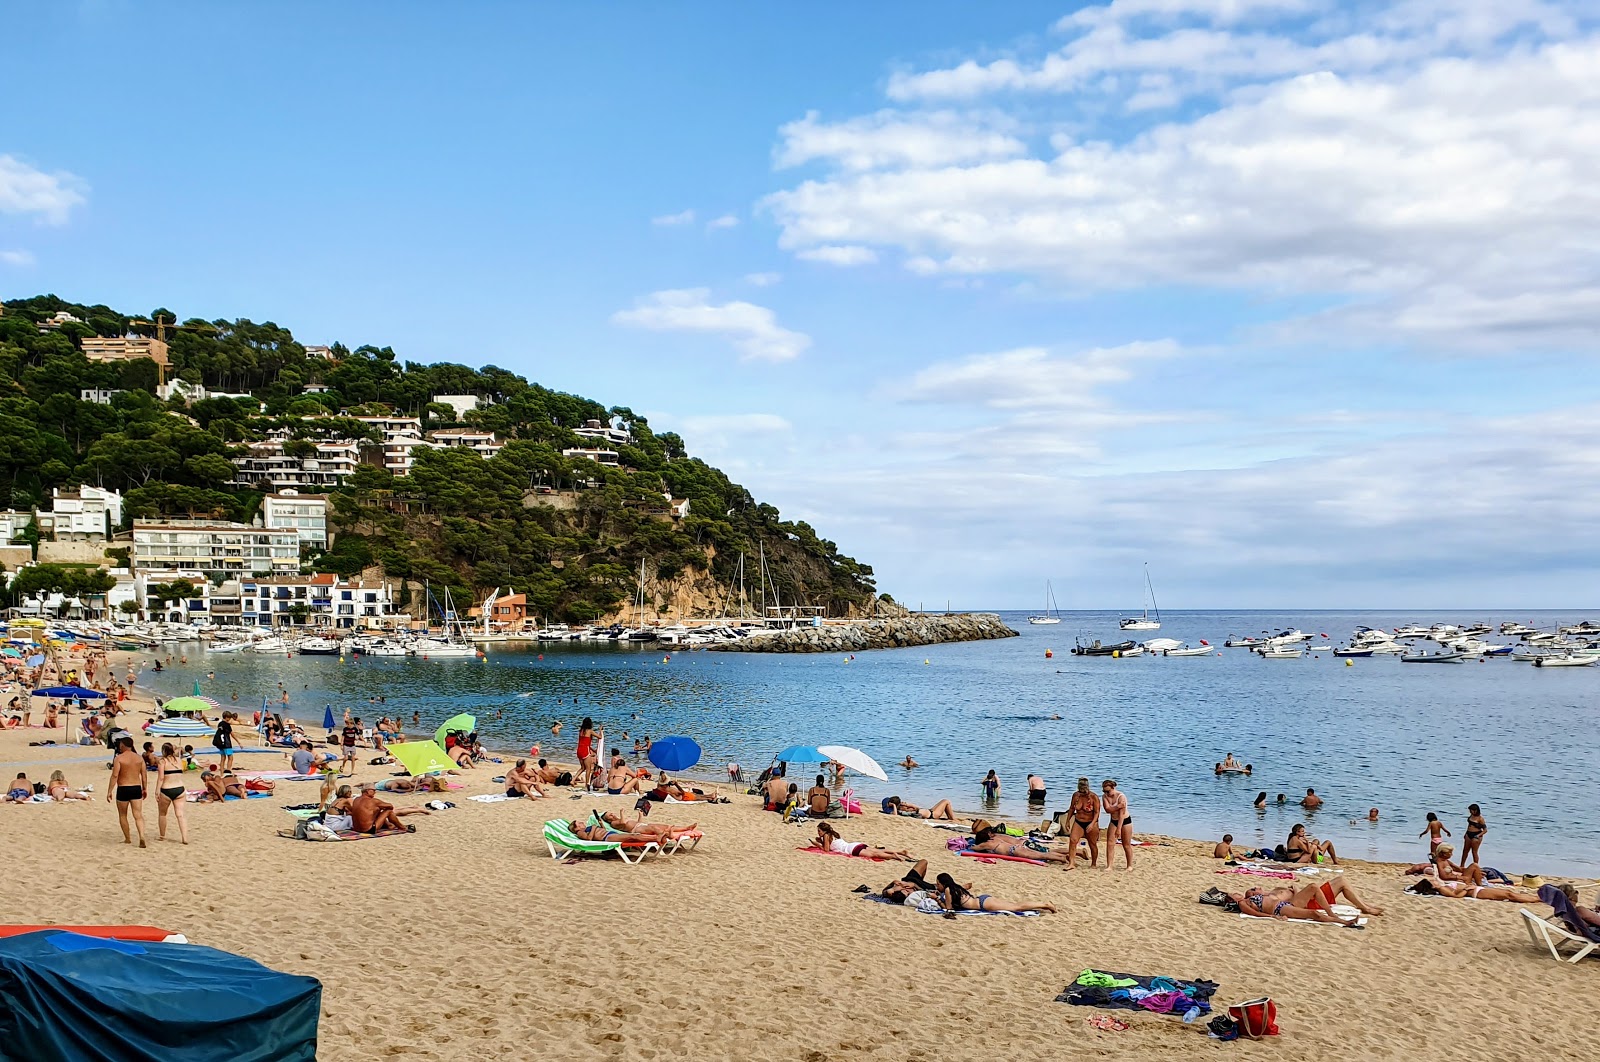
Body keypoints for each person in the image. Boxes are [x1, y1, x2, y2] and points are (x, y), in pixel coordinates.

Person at [933, 872, 1055, 917]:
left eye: (938, 884)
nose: (937, 886)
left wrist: (938, 899)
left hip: (983, 905)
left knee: (1015, 907)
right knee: (1014, 905)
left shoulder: (948, 890)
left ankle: (1045, 904)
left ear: (944, 884)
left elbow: (948, 909)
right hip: (983, 899)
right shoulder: (955, 887)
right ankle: (1043, 905)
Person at [107, 735, 148, 848]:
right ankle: (141, 836)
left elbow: (115, 775)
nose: (119, 747)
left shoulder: (119, 758)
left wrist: (110, 790)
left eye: (120, 745)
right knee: (138, 815)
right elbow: (144, 775)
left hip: (123, 788)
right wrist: (144, 788)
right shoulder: (139, 758)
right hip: (136, 787)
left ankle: (128, 838)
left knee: (123, 815)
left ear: (124, 745)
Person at [971, 826, 1075, 867]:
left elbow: (974, 848)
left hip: (1013, 851)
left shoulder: (986, 844)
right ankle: (1062, 858)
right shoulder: (996, 839)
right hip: (1017, 847)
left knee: (1040, 855)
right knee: (1040, 853)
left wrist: (971, 845)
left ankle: (1062, 858)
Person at [814, 821, 912, 861]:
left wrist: (817, 844)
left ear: (824, 831)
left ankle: (893, 856)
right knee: (877, 850)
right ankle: (901, 852)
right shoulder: (833, 834)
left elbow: (826, 850)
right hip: (856, 844)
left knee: (875, 855)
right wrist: (821, 841)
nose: (818, 833)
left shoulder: (826, 836)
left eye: (819, 831)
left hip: (852, 850)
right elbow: (833, 845)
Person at [154, 744, 189, 843]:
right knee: (180, 815)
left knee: (162, 814)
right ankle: (184, 837)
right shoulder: (178, 760)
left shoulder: (162, 761)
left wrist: (157, 791)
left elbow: (161, 778)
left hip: (167, 789)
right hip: (180, 789)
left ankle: (162, 835)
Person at [1412, 878, 1541, 903]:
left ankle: (1535, 898)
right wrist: (1467, 888)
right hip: (1476, 892)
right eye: (1432, 881)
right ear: (1432, 886)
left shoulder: (1442, 886)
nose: (1435, 880)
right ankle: (1537, 899)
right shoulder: (1442, 889)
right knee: (1509, 895)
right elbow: (1455, 896)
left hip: (1477, 889)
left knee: (1510, 894)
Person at [1066, 777, 1101, 869]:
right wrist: (1067, 821)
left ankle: (1094, 863)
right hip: (1078, 821)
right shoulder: (1076, 795)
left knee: (1092, 843)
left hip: (1091, 822)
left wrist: (1093, 823)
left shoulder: (1094, 797)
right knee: (1073, 840)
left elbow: (1097, 812)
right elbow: (1071, 808)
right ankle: (1072, 863)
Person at [1101, 779, 1134, 869]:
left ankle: (1129, 865)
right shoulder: (1104, 797)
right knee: (1110, 843)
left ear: (1113, 788)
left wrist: (1119, 828)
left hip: (1125, 820)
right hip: (1113, 820)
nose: (1106, 793)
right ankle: (1109, 865)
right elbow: (1107, 810)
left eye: (1108, 791)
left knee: (1126, 844)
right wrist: (1117, 806)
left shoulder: (1121, 796)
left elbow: (1121, 814)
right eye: (1104, 791)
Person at [884, 796, 956, 821]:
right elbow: (917, 809)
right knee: (946, 801)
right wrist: (910, 805)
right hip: (932, 814)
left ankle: (951, 818)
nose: (904, 802)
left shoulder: (902, 809)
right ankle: (952, 819)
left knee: (944, 801)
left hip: (930, 811)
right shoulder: (903, 810)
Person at [575, 717, 597, 788]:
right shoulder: (590, 731)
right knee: (588, 768)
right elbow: (599, 737)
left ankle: (573, 779)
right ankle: (587, 784)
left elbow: (584, 743)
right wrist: (601, 731)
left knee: (582, 767)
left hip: (579, 750)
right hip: (585, 751)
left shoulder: (581, 731)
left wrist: (593, 750)